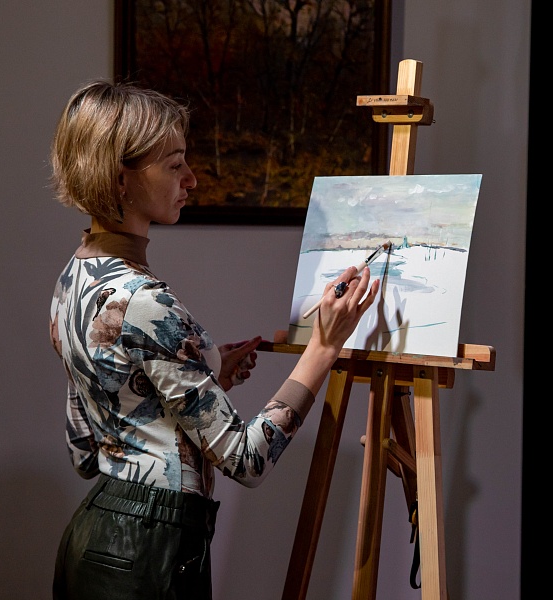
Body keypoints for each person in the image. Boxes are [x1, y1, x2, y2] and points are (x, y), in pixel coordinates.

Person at [48, 80, 380, 599]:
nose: (192, 179)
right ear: (120, 179)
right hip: (148, 559)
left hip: (91, 545)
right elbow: (246, 460)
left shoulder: (73, 279)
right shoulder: (144, 301)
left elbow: (86, 451)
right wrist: (323, 347)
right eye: (175, 164)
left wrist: (203, 374)